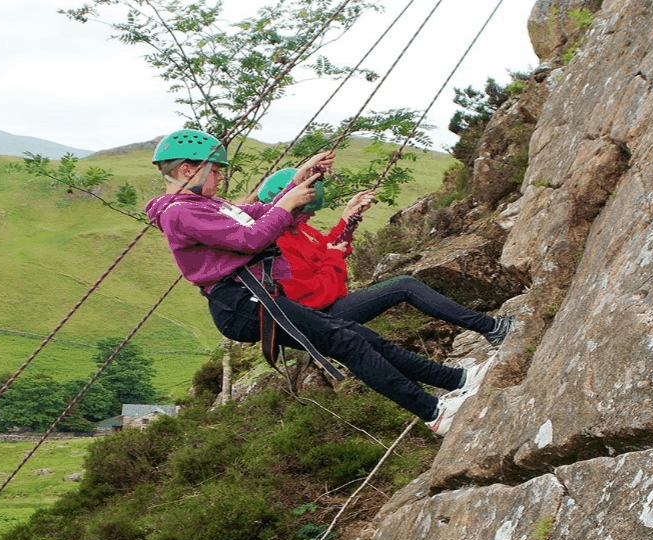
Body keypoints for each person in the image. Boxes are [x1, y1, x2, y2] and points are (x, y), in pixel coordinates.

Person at [144, 129, 479, 435]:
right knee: (345, 341)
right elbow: (251, 239)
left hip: (253, 297)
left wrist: (298, 180)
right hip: (240, 302)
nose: (219, 177)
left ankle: (455, 379)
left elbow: (260, 213)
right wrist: (289, 202)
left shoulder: (203, 203)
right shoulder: (181, 212)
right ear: (187, 170)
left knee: (357, 336)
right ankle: (434, 412)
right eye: (215, 170)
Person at [257, 168, 515, 344]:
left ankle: (489, 328)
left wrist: (348, 218)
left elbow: (327, 248)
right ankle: (491, 328)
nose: (309, 217)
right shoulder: (275, 244)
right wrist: (333, 259)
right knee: (404, 286)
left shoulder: (296, 228)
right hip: (317, 314)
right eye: (304, 212)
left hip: (326, 306)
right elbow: (315, 296)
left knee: (402, 287)